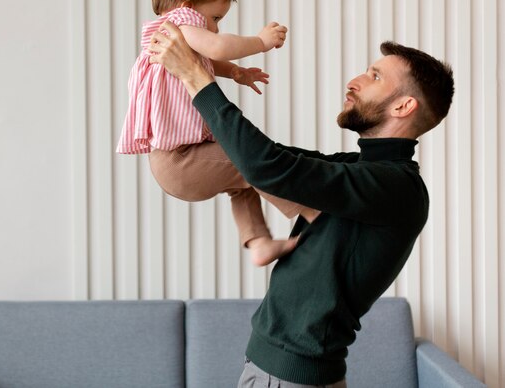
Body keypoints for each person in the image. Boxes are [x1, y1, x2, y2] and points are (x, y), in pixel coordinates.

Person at [148, 22, 454, 387]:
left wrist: (196, 78)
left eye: (374, 76)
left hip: (291, 379)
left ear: (404, 105)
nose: (354, 81)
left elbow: (268, 167)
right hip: (276, 372)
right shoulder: (359, 169)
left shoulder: (396, 187)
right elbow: (268, 161)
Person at [117, 0, 315, 266]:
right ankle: (314, 212)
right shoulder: (180, 23)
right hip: (181, 161)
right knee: (251, 163)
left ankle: (259, 241)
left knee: (242, 183)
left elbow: (210, 59)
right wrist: (261, 42)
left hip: (177, 160)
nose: (216, 26)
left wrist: (235, 73)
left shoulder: (169, 34)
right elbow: (218, 47)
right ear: (186, 5)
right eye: (215, 18)